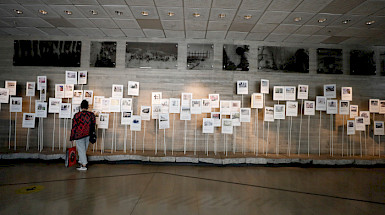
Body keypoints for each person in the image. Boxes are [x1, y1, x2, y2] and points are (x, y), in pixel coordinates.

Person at [70, 100, 96, 171]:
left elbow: (74, 127)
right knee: (83, 150)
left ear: (81, 106)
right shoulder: (91, 115)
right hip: (88, 134)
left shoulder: (77, 115)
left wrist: (72, 137)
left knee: (81, 150)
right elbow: (93, 125)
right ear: (87, 106)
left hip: (79, 135)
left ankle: (84, 165)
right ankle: (81, 162)